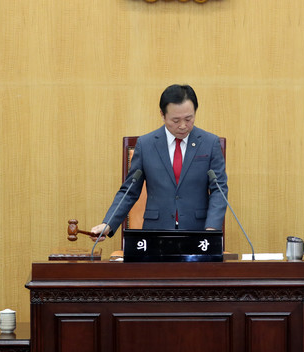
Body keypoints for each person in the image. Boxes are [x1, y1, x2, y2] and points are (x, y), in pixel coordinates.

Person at [90, 84, 228, 240]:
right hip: (156, 231)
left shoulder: (210, 143)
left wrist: (211, 229)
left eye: (188, 119)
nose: (183, 126)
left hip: (199, 231)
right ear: (162, 115)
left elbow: (219, 190)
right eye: (175, 120)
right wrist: (108, 224)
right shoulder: (146, 145)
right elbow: (129, 191)